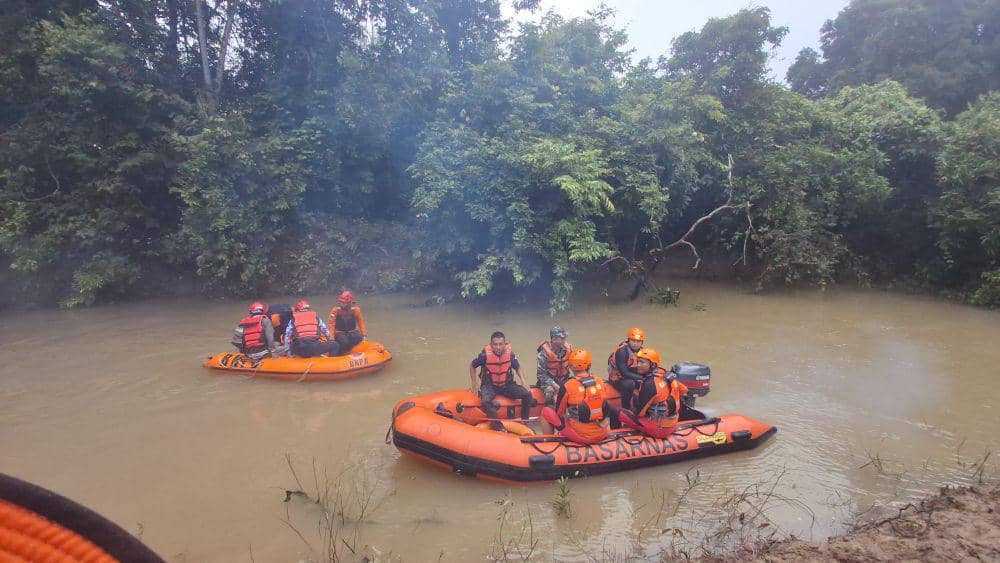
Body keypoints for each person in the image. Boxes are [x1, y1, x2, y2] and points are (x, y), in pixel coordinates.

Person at [542, 348, 611, 444]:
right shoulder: (600, 381)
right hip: (602, 432)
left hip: (581, 435)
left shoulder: (567, 385)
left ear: (570, 366)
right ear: (589, 365)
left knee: (546, 411)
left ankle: (548, 444)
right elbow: (604, 405)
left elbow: (559, 413)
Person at [469, 331, 534, 429]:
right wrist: (475, 383)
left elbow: (517, 367)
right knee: (485, 401)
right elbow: (472, 366)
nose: (498, 347)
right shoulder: (484, 356)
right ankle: (497, 426)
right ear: (491, 345)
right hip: (489, 385)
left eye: (500, 344)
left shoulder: (510, 355)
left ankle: (525, 421)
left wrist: (523, 380)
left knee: (527, 394)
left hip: (507, 385)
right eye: (495, 344)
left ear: (505, 344)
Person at [620, 348, 690, 437]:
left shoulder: (650, 384)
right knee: (637, 396)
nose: (638, 365)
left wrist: (632, 408)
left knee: (616, 411)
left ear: (652, 365)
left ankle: (616, 433)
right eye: (638, 362)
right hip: (673, 422)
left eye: (642, 362)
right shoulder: (665, 374)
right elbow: (684, 390)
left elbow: (640, 414)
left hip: (659, 428)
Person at [607, 327, 645, 411]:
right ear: (628, 340)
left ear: (642, 342)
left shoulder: (643, 351)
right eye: (633, 341)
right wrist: (642, 379)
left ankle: (643, 406)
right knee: (629, 384)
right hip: (617, 378)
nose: (635, 344)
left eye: (638, 341)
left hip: (632, 374)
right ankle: (626, 408)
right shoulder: (622, 351)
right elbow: (624, 373)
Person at [536, 326, 573, 406]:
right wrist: (555, 385)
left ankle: (572, 410)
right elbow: (541, 375)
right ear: (553, 340)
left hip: (564, 378)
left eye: (564, 337)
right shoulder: (543, 354)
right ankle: (550, 411)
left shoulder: (568, 349)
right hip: (548, 381)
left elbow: (574, 366)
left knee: (575, 388)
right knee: (550, 392)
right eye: (562, 338)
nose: (564, 340)